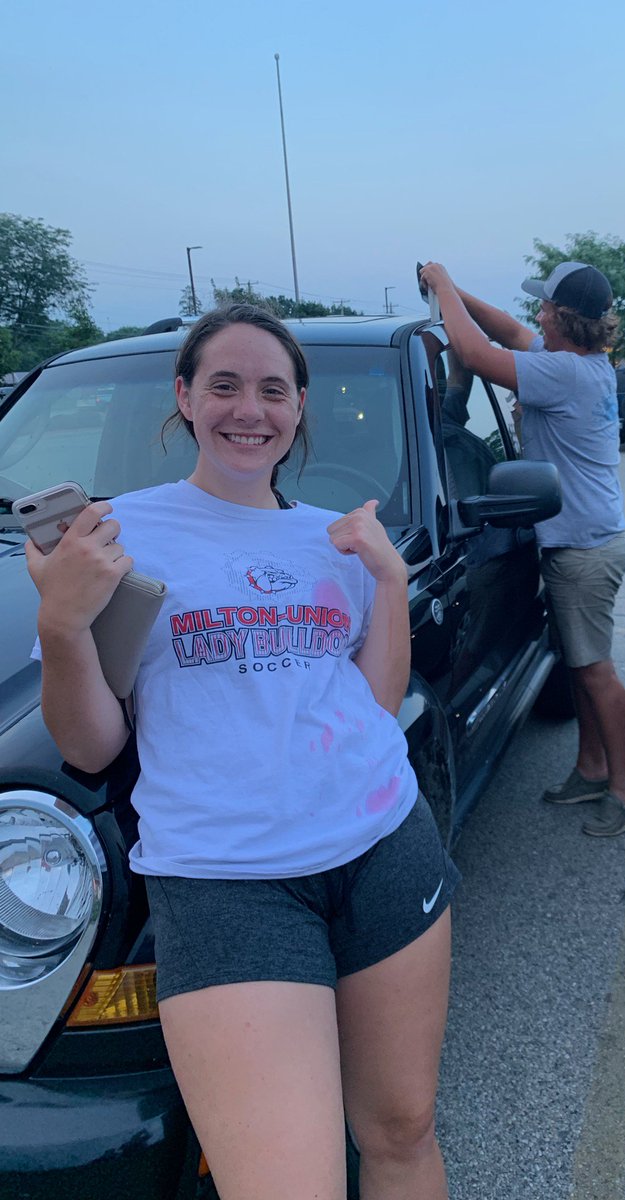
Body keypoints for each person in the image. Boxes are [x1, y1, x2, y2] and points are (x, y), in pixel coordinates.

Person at [25, 303, 458, 1200]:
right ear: (184, 397)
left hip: (384, 845)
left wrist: (388, 580)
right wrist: (63, 627)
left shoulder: (335, 538)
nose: (247, 409)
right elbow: (93, 742)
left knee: (402, 1131)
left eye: (272, 390)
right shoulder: (112, 540)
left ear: (300, 409)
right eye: (223, 385)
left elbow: (376, 706)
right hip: (227, 881)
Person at [419, 261, 625, 837]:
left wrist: (445, 282)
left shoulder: (563, 374)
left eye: (544, 306)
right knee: (578, 665)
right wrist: (456, 292)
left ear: (565, 319)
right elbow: (501, 331)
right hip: (586, 541)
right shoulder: (577, 364)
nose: (536, 314)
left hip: (584, 550)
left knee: (595, 672)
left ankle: (624, 785)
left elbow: (473, 354)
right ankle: (592, 767)